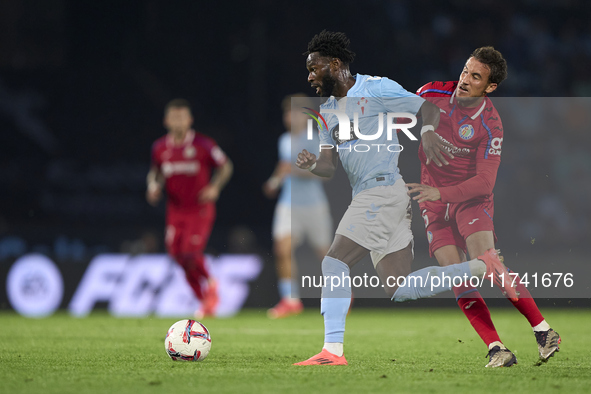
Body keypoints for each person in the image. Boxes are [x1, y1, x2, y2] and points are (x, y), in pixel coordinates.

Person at [293, 31, 515, 366]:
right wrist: (313, 165)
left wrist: (426, 133)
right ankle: (482, 265)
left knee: (333, 262)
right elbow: (327, 166)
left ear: (335, 64)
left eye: (314, 68)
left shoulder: (376, 88)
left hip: (381, 191)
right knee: (398, 289)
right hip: (381, 195)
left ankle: (332, 351)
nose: (309, 76)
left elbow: (427, 109)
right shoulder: (326, 112)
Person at [407, 46, 560, 367]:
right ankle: (496, 348)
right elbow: (406, 108)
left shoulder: (490, 124)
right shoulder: (434, 91)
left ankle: (543, 330)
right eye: (465, 71)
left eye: (475, 77)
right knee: (456, 276)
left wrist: (441, 193)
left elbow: (484, 184)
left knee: (485, 261)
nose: (464, 80)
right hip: (432, 202)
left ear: (489, 88)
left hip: (468, 201)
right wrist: (425, 129)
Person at [146, 99, 233, 318]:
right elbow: (155, 173)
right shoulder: (159, 148)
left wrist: (214, 187)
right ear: (166, 121)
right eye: (174, 117)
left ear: (190, 120)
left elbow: (226, 166)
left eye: (182, 117)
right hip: (175, 210)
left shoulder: (203, 145)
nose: (178, 121)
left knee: (191, 253)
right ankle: (203, 300)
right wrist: (153, 186)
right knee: (178, 255)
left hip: (199, 208)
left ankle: (211, 284)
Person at [263, 94, 332, 319]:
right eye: (287, 112)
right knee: (282, 249)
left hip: (313, 206)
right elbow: (283, 167)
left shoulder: (315, 139)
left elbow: (323, 174)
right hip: (288, 204)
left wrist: (292, 171)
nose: (290, 117)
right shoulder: (283, 140)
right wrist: (274, 182)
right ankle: (290, 300)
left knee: (325, 255)